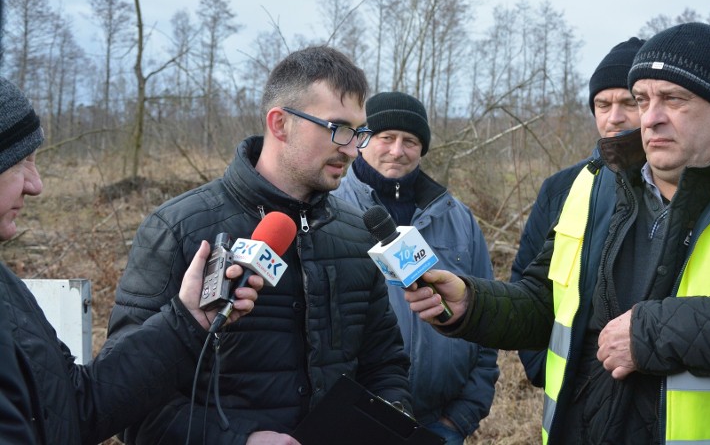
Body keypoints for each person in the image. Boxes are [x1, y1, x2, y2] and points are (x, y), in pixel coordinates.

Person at [405, 22, 710, 444]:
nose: (650, 118)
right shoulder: (593, 186)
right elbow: (547, 303)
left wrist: (652, 332)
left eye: (674, 100)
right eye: (643, 100)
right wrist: (472, 303)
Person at [107, 46, 412, 444]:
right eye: (338, 129)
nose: (353, 149)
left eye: (359, 132)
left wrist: (388, 423)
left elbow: (384, 365)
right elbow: (127, 398)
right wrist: (239, 441)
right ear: (280, 124)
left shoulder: (356, 233)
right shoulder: (179, 228)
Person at [0, 76, 262, 444]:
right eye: (20, 162)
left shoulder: (7, 289)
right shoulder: (173, 225)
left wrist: (187, 320)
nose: (36, 184)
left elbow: (77, 407)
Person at [333, 91, 499, 444]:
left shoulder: (458, 219)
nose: (397, 150)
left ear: (422, 149)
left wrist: (462, 415)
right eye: (386, 138)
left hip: (439, 424)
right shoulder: (327, 211)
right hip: (351, 421)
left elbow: (487, 317)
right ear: (362, 141)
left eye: (410, 141)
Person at [510, 36, 643, 387]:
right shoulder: (562, 188)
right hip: (575, 390)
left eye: (629, 102)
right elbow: (528, 282)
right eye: (603, 104)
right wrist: (544, 365)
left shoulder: (678, 188)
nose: (615, 117)